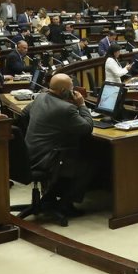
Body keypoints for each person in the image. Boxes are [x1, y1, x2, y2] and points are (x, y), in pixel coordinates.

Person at [24, 73, 95, 216]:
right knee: (90, 162)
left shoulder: (41, 97)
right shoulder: (65, 109)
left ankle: (49, 197)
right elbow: (87, 128)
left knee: (76, 152)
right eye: (71, 88)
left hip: (28, 154)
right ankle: (65, 204)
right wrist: (81, 104)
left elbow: (25, 113)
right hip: (45, 159)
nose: (73, 91)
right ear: (63, 91)